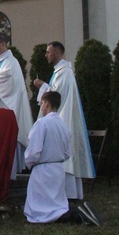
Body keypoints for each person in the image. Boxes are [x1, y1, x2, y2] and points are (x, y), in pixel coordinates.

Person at [23, 91, 100, 226]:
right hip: (58, 169)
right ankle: (76, 212)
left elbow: (34, 151)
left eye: (41, 104)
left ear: (46, 103)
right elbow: (67, 152)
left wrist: (29, 163)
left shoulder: (42, 124)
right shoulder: (63, 125)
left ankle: (77, 215)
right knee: (56, 204)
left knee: (41, 210)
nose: (41, 107)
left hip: (43, 171)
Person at [33, 41, 95, 201]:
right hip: (60, 118)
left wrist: (43, 87)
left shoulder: (65, 73)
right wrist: (45, 87)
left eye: (49, 52)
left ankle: (69, 194)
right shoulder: (59, 72)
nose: (46, 55)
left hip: (64, 119)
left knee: (66, 160)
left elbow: (56, 97)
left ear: (58, 53)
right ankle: (69, 193)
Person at [0, 32, 34, 179]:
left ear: (3, 44)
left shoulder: (11, 62)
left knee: (4, 142)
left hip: (5, 109)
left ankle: (8, 175)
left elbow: (9, 83)